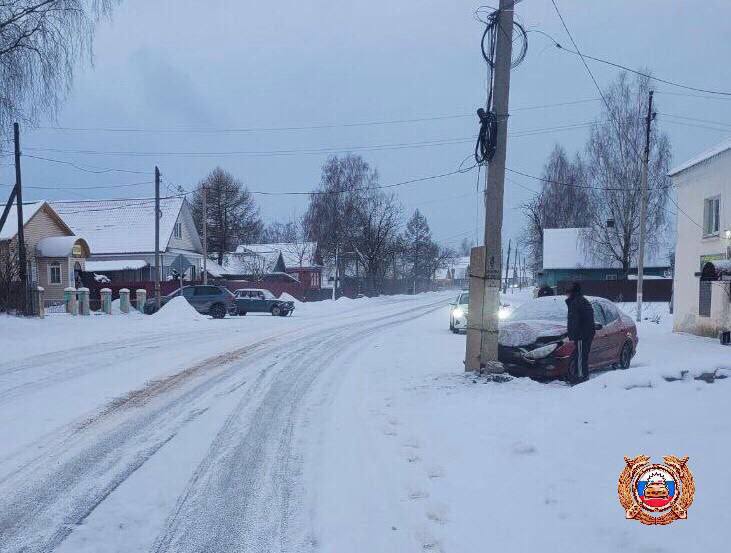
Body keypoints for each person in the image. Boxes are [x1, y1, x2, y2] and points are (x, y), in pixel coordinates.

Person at [565, 282, 595, 384]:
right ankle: (581, 376)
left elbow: (574, 321)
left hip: (582, 335)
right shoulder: (581, 301)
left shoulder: (576, 303)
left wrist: (573, 335)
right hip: (585, 333)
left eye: (568, 292)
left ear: (573, 292)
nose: (566, 294)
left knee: (581, 357)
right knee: (580, 356)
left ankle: (581, 377)